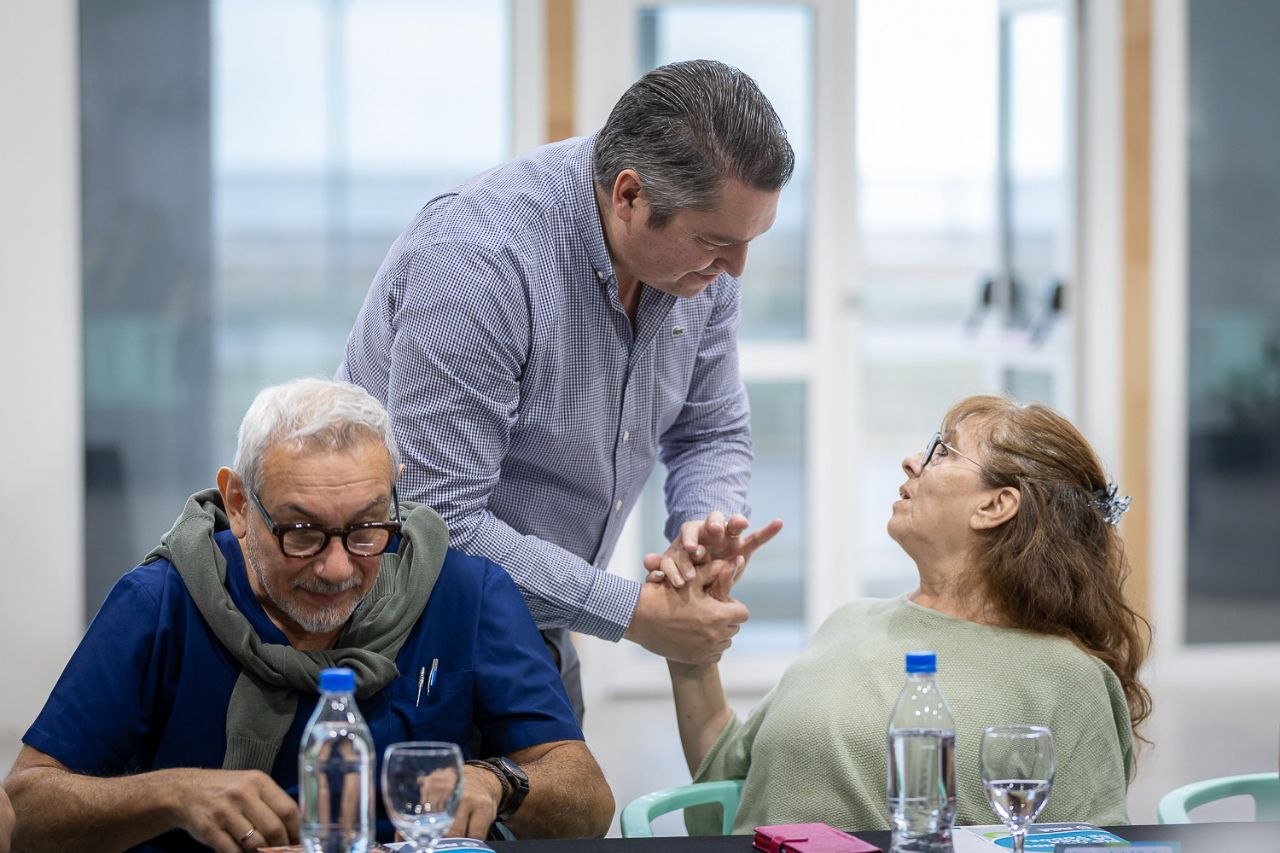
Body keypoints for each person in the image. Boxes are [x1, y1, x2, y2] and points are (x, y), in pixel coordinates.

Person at [337, 58, 793, 718]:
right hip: (395, 633)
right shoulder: (478, 261)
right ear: (629, 196)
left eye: (752, 240)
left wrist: (704, 525)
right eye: (716, 242)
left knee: (568, 814)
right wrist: (635, 611)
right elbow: (440, 524)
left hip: (534, 623)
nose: (735, 269)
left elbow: (711, 430)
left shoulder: (702, 271)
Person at [3, 378, 613, 852]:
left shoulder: (464, 592)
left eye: (368, 530)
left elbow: (587, 797)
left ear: (396, 494)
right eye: (301, 533)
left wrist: (498, 782)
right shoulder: (160, 604)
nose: (337, 568)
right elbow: (27, 810)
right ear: (239, 504)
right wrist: (171, 794)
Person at [660, 395, 1152, 833]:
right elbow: (725, 790)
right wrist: (688, 651)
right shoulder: (849, 622)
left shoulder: (1068, 679)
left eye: (942, 451)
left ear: (996, 505)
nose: (911, 461)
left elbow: (1091, 845)